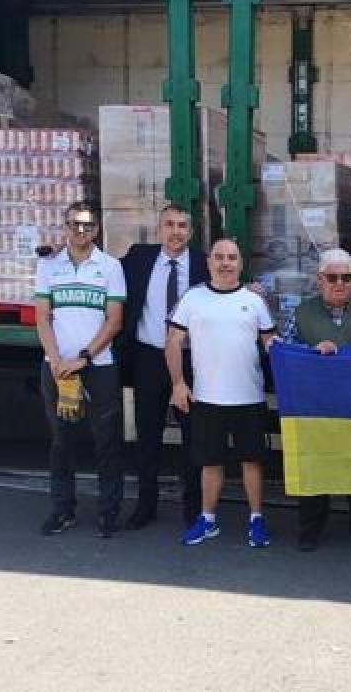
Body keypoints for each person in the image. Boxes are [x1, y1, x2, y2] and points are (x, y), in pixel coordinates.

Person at [167, 238, 278, 548]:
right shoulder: (193, 298)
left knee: (252, 461)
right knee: (210, 462)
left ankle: (256, 519)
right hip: (207, 397)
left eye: (232, 257)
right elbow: (173, 340)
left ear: (240, 264)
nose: (226, 263)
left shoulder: (255, 301)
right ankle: (208, 519)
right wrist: (178, 384)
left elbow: (270, 341)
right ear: (209, 262)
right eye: (219, 257)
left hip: (249, 397)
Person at [34, 202, 127, 538]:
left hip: (98, 366)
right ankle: (62, 510)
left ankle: (109, 512)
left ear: (97, 230)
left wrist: (84, 358)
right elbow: (42, 317)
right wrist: (56, 359)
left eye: (87, 226)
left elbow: (114, 321)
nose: (80, 231)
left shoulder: (111, 267)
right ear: (65, 226)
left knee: (107, 440)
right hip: (57, 367)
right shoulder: (48, 266)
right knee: (61, 441)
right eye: (74, 224)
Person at [119, 204, 208, 531]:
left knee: (192, 437)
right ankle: (145, 505)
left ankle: (193, 508)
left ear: (191, 232)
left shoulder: (203, 263)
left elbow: (229, 282)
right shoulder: (139, 258)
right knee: (148, 436)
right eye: (169, 225)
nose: (175, 231)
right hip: (149, 357)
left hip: (191, 360)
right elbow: (101, 267)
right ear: (158, 230)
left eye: (183, 226)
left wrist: (250, 288)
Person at [291, 248, 351, 552]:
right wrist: (312, 351)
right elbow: (285, 351)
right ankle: (310, 529)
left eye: (346, 277)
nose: (340, 283)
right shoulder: (302, 312)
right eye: (332, 277)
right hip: (317, 407)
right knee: (315, 467)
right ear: (320, 280)